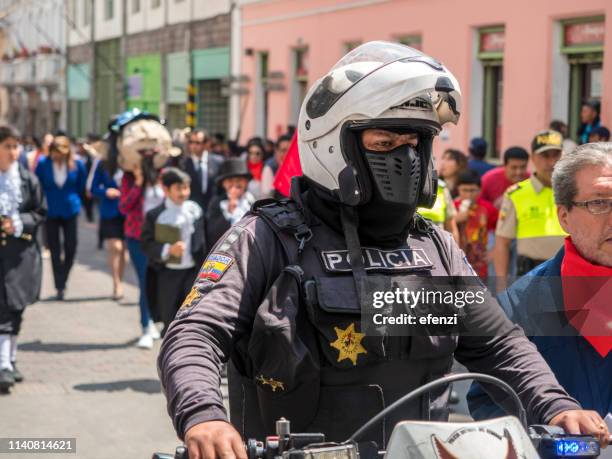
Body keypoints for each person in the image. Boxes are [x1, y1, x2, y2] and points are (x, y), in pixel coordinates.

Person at [158, 42, 608, 458]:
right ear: (333, 145)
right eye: (384, 144)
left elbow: (498, 343)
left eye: (415, 144)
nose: (405, 160)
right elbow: (194, 333)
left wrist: (554, 405)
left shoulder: (431, 247)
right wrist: (204, 416)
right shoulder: (267, 238)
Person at [468, 142, 612, 421]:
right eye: (599, 203)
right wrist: (555, 432)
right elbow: (489, 403)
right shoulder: (522, 304)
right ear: (564, 217)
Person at [0, 125, 46, 392]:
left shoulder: (28, 180)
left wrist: (18, 222)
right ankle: (3, 363)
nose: (13, 152)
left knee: (16, 308)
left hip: (20, 255)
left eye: (15, 146)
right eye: (7, 146)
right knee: (3, 310)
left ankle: (11, 359)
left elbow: (40, 212)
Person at [494, 130, 566, 288]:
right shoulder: (516, 194)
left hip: (569, 274)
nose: (551, 162)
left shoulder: (575, 191)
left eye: (556, 155)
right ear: (533, 158)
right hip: (530, 276)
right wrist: (501, 286)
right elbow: (502, 243)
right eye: (545, 156)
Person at [141, 168, 205, 339]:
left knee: (191, 314)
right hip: (167, 274)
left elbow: (203, 240)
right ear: (166, 189)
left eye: (186, 187)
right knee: (169, 314)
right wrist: (167, 249)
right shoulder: (155, 215)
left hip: (192, 271)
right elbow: (146, 244)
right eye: (179, 188)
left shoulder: (195, 211)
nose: (184, 192)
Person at [35, 135, 86, 300]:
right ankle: (59, 285)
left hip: (70, 209)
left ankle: (64, 274)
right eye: (57, 152)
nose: (59, 156)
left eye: (63, 153)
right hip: (51, 211)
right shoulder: (43, 164)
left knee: (71, 245)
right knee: (55, 249)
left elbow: (81, 185)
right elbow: (38, 186)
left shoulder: (76, 164)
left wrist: (75, 200)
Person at [119, 164, 162, 349]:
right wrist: (138, 183)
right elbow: (124, 206)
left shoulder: (162, 174)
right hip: (137, 237)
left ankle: (153, 319)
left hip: (161, 238)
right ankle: (145, 327)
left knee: (159, 282)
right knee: (145, 281)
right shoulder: (128, 178)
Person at [90, 152, 127, 300]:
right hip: (110, 211)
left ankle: (120, 280)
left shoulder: (130, 160)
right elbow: (93, 188)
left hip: (127, 211)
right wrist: (106, 191)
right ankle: (116, 283)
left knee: (124, 249)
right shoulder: (102, 163)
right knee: (115, 247)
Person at [453, 170, 498, 279]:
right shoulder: (452, 207)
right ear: (458, 189)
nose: (468, 194)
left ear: (480, 190)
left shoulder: (488, 208)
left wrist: (494, 251)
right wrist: (455, 219)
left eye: (472, 190)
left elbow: (501, 233)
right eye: (464, 190)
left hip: (481, 262)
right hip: (456, 260)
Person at [205, 158, 256, 249]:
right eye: (230, 181)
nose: (235, 184)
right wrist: (230, 209)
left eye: (239, 180)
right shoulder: (216, 203)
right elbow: (212, 233)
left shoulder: (252, 202)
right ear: (223, 184)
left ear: (246, 182)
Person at [179, 129, 224, 213]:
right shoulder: (183, 164)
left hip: (213, 211)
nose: (193, 145)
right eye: (191, 142)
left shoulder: (218, 162)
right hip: (191, 211)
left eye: (197, 143)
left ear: (207, 144)